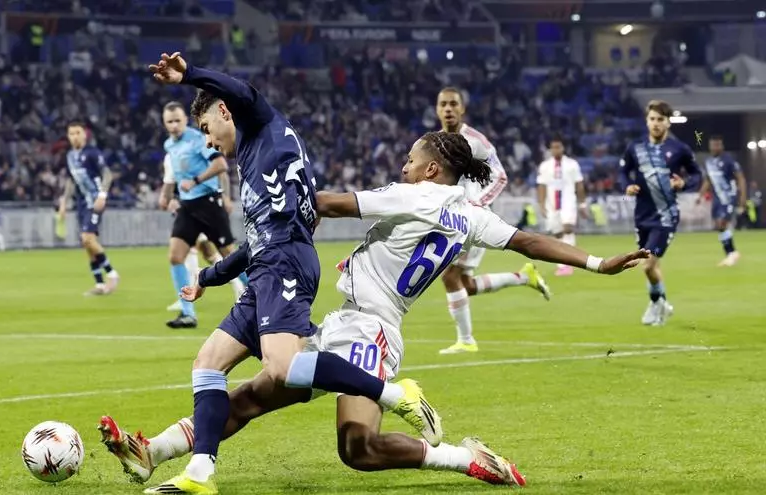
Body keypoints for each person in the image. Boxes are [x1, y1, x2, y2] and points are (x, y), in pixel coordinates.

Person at [98, 131, 649, 494]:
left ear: (431, 168)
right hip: (352, 322)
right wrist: (597, 262)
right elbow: (528, 241)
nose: (403, 167)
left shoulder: (413, 195)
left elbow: (329, 203)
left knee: (357, 447)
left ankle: (460, 454)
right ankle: (153, 452)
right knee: (254, 395)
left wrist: (279, 189)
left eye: (410, 160)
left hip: (371, 331)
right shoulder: (470, 214)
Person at [144, 53, 441, 494]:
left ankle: (397, 395)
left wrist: (190, 76)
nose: (207, 141)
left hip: (284, 262)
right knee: (208, 363)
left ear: (224, 111)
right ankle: (200, 472)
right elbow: (257, 240)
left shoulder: (260, 124)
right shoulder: (258, 153)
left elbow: (243, 93)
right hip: (270, 261)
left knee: (282, 368)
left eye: (206, 128)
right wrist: (209, 277)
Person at [433, 87, 550, 355]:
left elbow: (500, 176)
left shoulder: (476, 141)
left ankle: (466, 340)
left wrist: (477, 203)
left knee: (450, 276)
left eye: (453, 104)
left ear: (462, 108)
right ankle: (524, 277)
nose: (448, 109)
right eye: (443, 104)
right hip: (450, 219)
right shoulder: (434, 142)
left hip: (471, 220)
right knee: (465, 285)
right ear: (437, 109)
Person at [159, 101, 245, 329]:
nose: (174, 125)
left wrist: (196, 181)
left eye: (178, 120)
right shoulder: (170, 145)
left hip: (208, 204)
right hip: (187, 207)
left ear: (185, 120)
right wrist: (166, 196)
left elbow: (220, 165)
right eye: (170, 122)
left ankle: (260, 295)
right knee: (175, 256)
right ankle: (188, 313)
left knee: (231, 257)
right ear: (164, 123)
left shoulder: (197, 139)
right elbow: (173, 175)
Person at [620, 100, 701, 326]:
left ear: (668, 123)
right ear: (647, 121)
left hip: (666, 217)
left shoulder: (680, 149)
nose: (656, 123)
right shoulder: (635, 147)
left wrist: (684, 183)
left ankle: (656, 303)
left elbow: (697, 174)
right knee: (652, 266)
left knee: (648, 265)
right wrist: (627, 186)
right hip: (642, 216)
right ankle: (662, 304)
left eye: (660, 119)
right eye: (652, 119)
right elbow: (623, 172)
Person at [58, 121, 120, 296]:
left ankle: (112, 274)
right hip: (81, 204)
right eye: (71, 134)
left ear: (85, 134)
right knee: (88, 244)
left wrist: (102, 195)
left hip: (94, 202)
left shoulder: (92, 152)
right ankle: (99, 284)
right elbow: (71, 180)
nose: (75, 137)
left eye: (78, 133)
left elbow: (107, 174)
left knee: (87, 238)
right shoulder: (70, 156)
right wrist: (63, 203)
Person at [536, 135, 587, 276]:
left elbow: (579, 185)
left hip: (568, 201)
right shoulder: (545, 166)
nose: (555, 150)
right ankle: (562, 265)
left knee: (568, 229)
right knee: (557, 233)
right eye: (553, 147)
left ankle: (569, 263)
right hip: (551, 203)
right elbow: (541, 186)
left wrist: (582, 204)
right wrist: (541, 204)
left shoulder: (572, 164)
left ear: (563, 148)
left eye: (558, 147)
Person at [697, 135, 745, 266]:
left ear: (722, 146)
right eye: (713, 145)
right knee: (719, 225)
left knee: (722, 223)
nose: (715, 147)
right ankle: (731, 253)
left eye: (717, 145)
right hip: (717, 198)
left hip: (728, 197)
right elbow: (708, 180)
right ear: (710, 146)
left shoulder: (729, 161)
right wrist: (700, 195)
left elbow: (740, 178)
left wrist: (742, 198)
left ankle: (731, 253)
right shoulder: (709, 162)